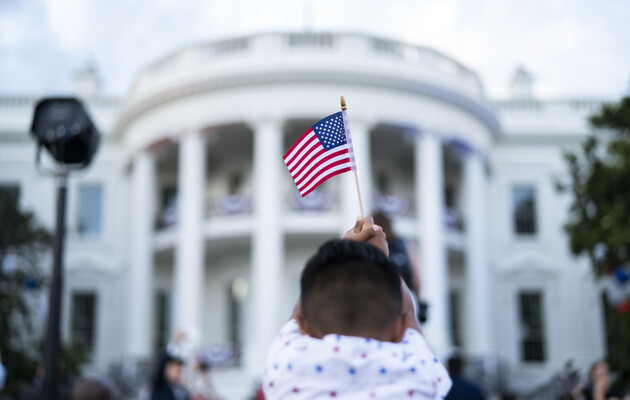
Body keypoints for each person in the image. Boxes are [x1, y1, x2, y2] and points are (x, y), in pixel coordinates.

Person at [262, 216, 452, 399]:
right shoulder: (417, 373)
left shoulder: (288, 372)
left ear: (304, 326)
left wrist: (344, 250)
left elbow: (298, 315)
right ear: (400, 325)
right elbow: (409, 313)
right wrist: (382, 258)